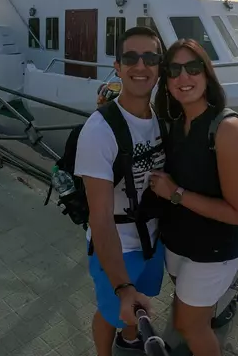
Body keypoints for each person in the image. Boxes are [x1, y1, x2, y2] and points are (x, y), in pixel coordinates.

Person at [151, 38, 238, 356]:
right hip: (178, 241)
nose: (184, 77)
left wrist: (176, 194)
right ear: (166, 82)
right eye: (174, 70)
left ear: (206, 74)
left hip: (213, 249)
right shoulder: (173, 123)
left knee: (190, 325)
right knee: (188, 310)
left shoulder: (225, 128)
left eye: (193, 68)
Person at [74, 26, 168, 356]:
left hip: (152, 241)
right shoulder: (100, 130)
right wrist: (121, 283)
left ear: (160, 66)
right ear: (117, 67)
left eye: (150, 58)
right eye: (131, 58)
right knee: (112, 312)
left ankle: (130, 341)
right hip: (117, 248)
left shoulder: (161, 119)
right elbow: (99, 218)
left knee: (138, 306)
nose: (140, 66)